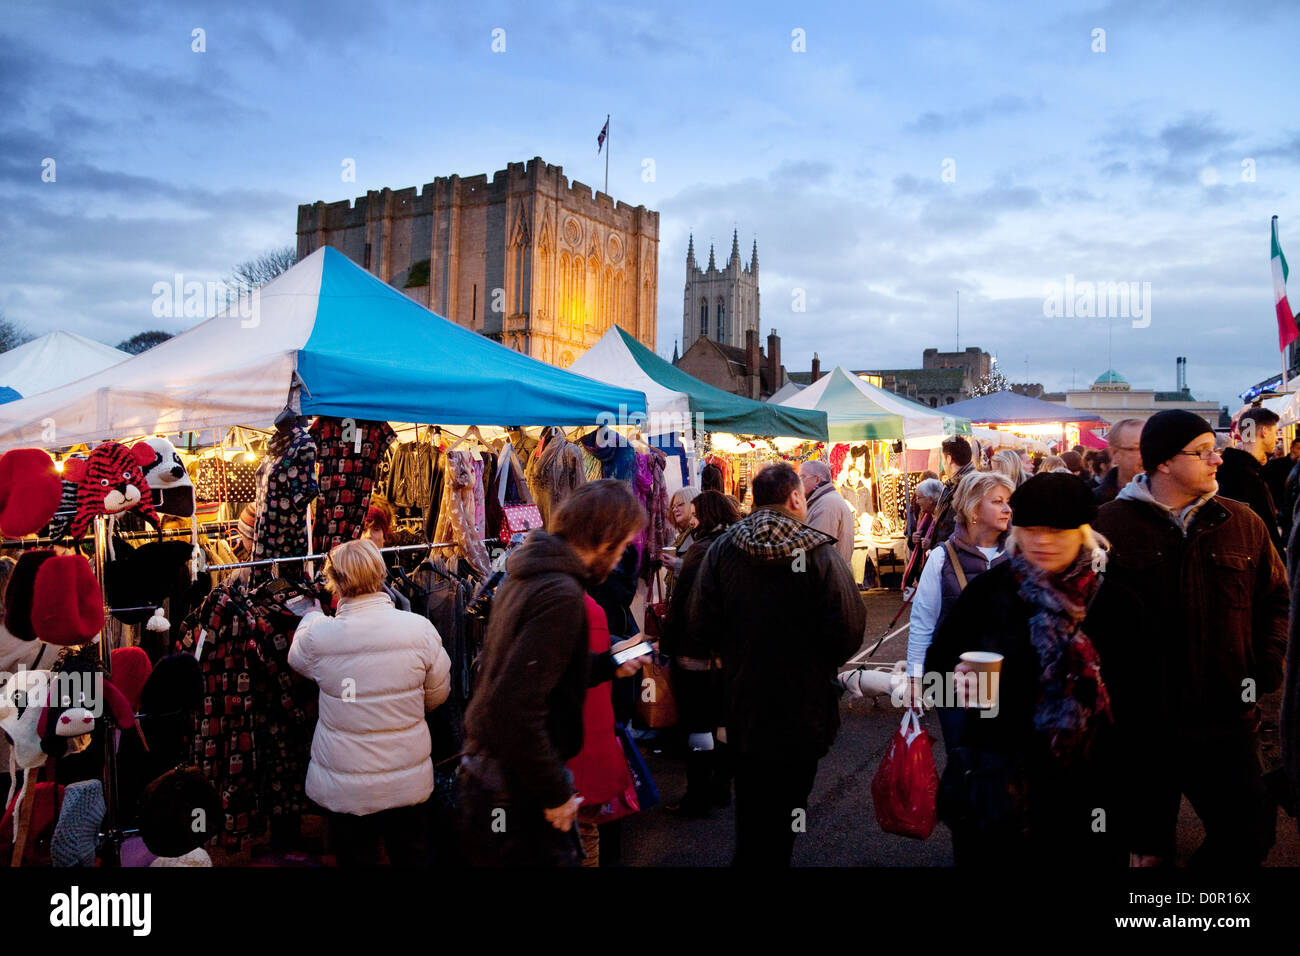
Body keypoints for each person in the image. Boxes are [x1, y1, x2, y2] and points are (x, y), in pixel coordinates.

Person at [1093, 409, 1288, 866]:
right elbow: (1077, 616)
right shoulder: (1105, 527)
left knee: (1251, 832)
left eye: (1214, 450)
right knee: (1143, 847)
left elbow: (1275, 599)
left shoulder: (1242, 522)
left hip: (1226, 717)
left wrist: (1264, 665)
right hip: (1140, 724)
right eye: (1203, 452)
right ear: (1163, 462)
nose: (1217, 460)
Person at [928, 474, 1125, 866]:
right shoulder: (990, 591)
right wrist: (956, 684)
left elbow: (1150, 708)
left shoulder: (1116, 599)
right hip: (998, 790)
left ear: (1084, 532)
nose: (1043, 541)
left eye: (1057, 531)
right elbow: (938, 669)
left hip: (1091, 791)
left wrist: (1146, 830)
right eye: (1031, 530)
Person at [458, 480, 650, 867]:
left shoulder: (527, 574)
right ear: (603, 539)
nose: (622, 558)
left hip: (498, 776)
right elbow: (515, 707)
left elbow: (537, 674)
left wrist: (607, 664)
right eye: (623, 545)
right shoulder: (560, 591)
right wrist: (556, 791)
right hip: (516, 785)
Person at [688, 462, 867, 866]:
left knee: (751, 802)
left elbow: (699, 622)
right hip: (804, 705)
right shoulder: (818, 551)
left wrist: (732, 651)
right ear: (796, 498)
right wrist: (817, 661)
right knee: (790, 803)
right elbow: (849, 626)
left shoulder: (722, 549)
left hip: (742, 700)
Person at [287, 538, 452, 866]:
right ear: (380, 573)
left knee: (355, 857)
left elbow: (298, 659)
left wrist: (310, 617)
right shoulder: (419, 629)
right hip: (405, 777)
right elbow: (437, 695)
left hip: (346, 785)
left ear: (335, 582)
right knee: (411, 855)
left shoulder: (320, 636)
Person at [905, 472, 1013, 750]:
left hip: (1007, 681)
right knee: (962, 756)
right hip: (953, 682)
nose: (1007, 509)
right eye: (998, 501)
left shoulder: (1018, 555)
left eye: (1008, 501)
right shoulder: (942, 557)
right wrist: (915, 680)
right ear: (974, 508)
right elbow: (922, 623)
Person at [659, 491, 742, 817]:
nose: (691, 519)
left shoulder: (701, 551)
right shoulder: (737, 546)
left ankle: (697, 795)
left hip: (695, 653)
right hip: (728, 654)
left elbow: (683, 607)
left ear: (705, 515)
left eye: (695, 514)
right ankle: (720, 787)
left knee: (697, 725)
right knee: (722, 722)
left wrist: (667, 645)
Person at [1216, 406, 1284, 556]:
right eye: (1275, 432)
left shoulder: (1235, 469)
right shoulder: (1245, 476)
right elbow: (1264, 527)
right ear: (1264, 431)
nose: (1276, 438)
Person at [800, 459, 855, 565]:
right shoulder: (823, 500)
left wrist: (797, 568)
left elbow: (817, 550)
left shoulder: (827, 504)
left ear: (817, 479)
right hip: (831, 575)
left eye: (802, 477)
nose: (798, 482)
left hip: (830, 578)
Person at [925, 437, 975, 550]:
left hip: (956, 555)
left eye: (942, 459)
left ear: (949, 459)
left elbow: (950, 526)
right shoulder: (954, 484)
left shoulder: (967, 485)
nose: (943, 463)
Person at [1095, 418, 1143, 504]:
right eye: (1138, 448)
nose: (1148, 454)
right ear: (1114, 453)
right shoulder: (1092, 503)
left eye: (1151, 447)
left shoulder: (1170, 498)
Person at [662, 486, 701, 591]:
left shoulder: (698, 534)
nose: (674, 509)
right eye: (673, 506)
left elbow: (702, 569)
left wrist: (676, 564)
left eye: (680, 505)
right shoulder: (682, 535)